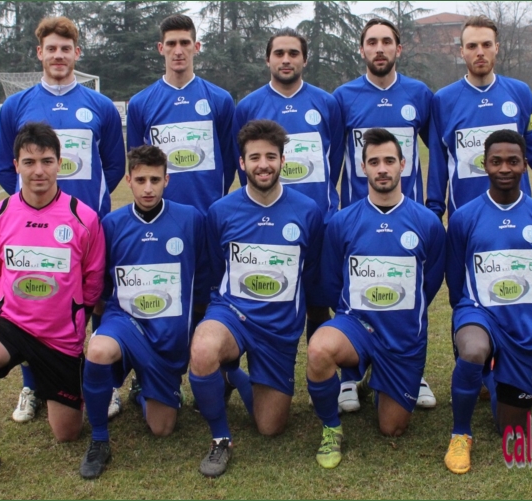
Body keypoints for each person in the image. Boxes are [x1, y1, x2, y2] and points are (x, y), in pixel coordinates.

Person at [0, 122, 105, 486]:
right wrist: (11, 308)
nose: (39, 171)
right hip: (12, 324)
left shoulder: (83, 218)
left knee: (67, 434)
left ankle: (57, 381)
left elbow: (93, 282)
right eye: (29, 161)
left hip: (60, 339)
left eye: (47, 161)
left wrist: (69, 321)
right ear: (16, 164)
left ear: (59, 164)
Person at [426, 15, 532, 407]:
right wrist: (435, 209)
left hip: (518, 219)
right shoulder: (443, 100)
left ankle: (527, 374)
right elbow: (439, 160)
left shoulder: (519, 93)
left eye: (486, 44)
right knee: (466, 297)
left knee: (524, 296)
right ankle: (473, 371)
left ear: (497, 48)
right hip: (468, 223)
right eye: (472, 46)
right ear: (461, 52)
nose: (480, 52)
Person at [0, 16, 125, 422]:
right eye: (51, 48)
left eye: (66, 48)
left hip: (88, 228)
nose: (59, 55)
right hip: (35, 233)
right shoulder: (16, 106)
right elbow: (3, 166)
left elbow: (114, 166)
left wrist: (84, 209)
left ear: (77, 53)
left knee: (98, 300)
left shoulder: (100, 106)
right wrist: (35, 207)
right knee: (34, 302)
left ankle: (103, 381)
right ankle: (32, 385)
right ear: (40, 53)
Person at [188, 120, 323, 478]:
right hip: (233, 314)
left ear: (282, 160)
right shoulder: (221, 211)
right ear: (242, 163)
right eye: (255, 157)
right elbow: (216, 268)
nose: (263, 164)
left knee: (270, 427)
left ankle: (233, 375)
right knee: (203, 348)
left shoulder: (308, 211)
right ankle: (220, 438)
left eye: (270, 157)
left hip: (279, 329)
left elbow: (310, 272)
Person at [307, 128, 445, 469]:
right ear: (363, 168)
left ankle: (378, 376)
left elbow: (430, 282)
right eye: (374, 162)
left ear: (403, 164)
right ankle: (331, 427)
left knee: (392, 428)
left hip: (403, 337)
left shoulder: (427, 223)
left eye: (389, 161)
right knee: (319, 348)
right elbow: (332, 281)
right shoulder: (342, 222)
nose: (382, 169)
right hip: (357, 327)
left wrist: (400, 313)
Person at [79, 145, 209, 479]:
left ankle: (142, 389)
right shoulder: (111, 224)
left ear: (167, 180)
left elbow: (201, 281)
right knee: (98, 349)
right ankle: (99, 440)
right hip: (125, 323)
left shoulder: (191, 219)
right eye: (140, 180)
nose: (148, 188)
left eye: (155, 179)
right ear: (128, 181)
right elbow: (102, 289)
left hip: (167, 338)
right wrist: (104, 326)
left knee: (162, 429)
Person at [333, 17, 436, 412]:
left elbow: (439, 149)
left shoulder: (419, 94)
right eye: (372, 42)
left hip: (408, 218)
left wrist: (433, 206)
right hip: (357, 218)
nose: (379, 48)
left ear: (398, 49)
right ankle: (349, 376)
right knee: (351, 292)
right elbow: (332, 158)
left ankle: (412, 370)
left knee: (409, 296)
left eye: (387, 42)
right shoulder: (343, 96)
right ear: (362, 49)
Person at [443, 129, 532, 474]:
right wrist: (466, 314)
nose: (504, 168)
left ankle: (492, 378)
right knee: (473, 350)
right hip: (478, 313)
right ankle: (460, 433)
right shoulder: (464, 217)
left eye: (512, 161)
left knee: (511, 430)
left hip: (523, 325)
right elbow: (455, 278)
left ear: (524, 164)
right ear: (485, 164)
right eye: (496, 161)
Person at [233, 27, 343, 345]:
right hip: (267, 223)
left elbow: (333, 159)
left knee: (319, 302)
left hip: (318, 221)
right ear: (267, 59)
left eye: (293, 53)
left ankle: (319, 367)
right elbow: (245, 168)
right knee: (267, 294)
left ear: (304, 60)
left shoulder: (326, 103)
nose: (286, 59)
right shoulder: (249, 106)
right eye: (279, 53)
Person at [127, 13, 237, 216]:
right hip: (161, 218)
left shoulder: (220, 99)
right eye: (171, 43)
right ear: (161, 48)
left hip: (209, 214)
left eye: (185, 43)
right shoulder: (140, 103)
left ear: (196, 47)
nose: (178, 51)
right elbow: (137, 166)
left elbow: (229, 162)